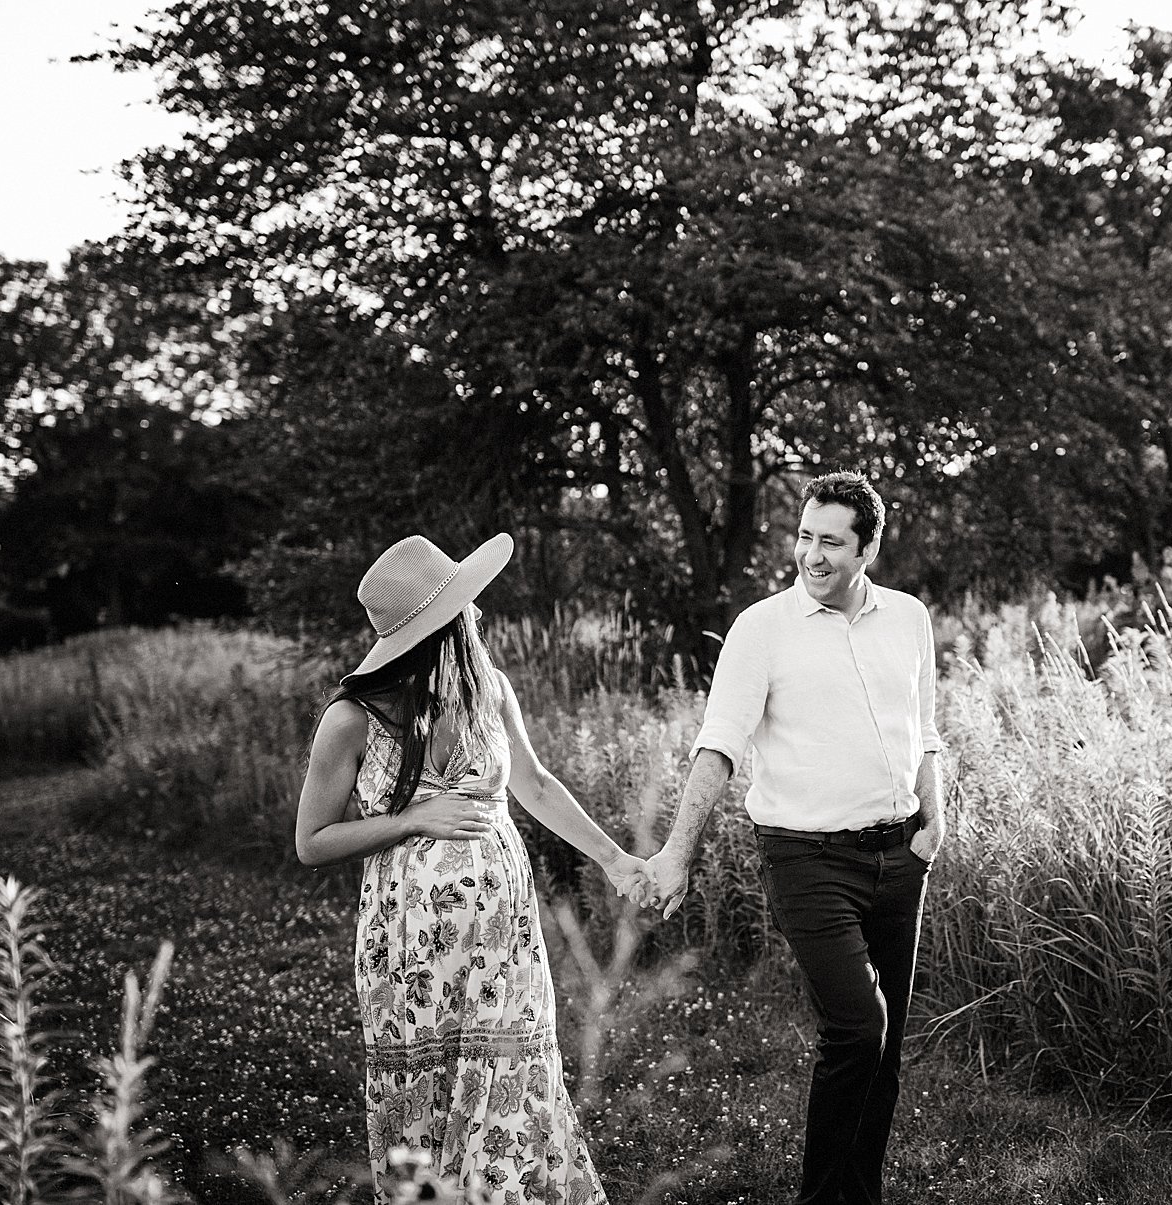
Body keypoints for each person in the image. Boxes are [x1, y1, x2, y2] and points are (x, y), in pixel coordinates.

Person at [295, 532, 645, 1204]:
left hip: (502, 940)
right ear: (440, 624)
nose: (477, 614)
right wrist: (410, 819)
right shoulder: (351, 718)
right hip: (410, 950)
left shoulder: (490, 689)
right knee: (424, 1095)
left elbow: (536, 785)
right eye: (465, 605)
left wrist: (615, 858)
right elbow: (311, 840)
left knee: (511, 1077)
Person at [645, 471, 948, 1205]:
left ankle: (860, 1194)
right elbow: (718, 746)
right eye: (805, 536)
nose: (812, 554)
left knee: (885, 1048)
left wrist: (935, 819)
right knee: (857, 1027)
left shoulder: (909, 618)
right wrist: (676, 854)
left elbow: (925, 730)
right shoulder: (762, 628)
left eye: (831, 541)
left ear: (869, 547)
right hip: (805, 857)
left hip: (901, 852)